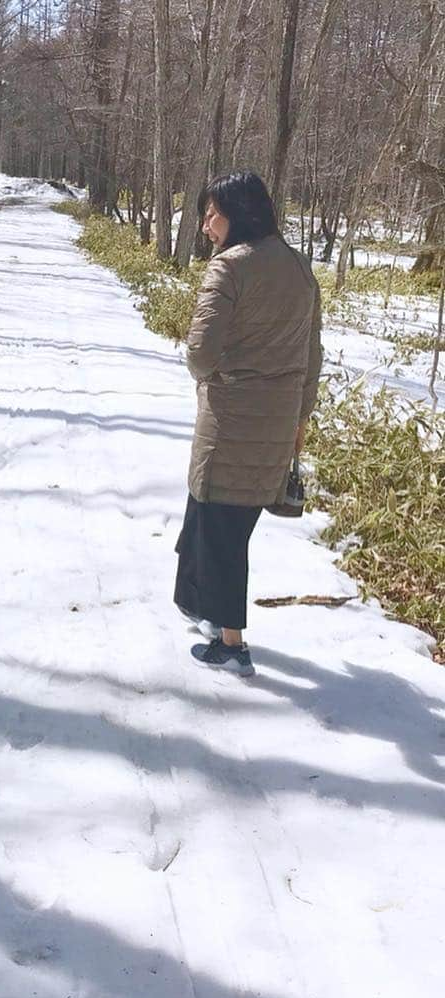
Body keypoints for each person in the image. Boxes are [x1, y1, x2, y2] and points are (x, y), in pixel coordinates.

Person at [174, 172, 324, 676]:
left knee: (221, 528)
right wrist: (301, 415)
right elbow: (312, 354)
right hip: (278, 418)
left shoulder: (229, 269)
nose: (205, 224)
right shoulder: (300, 267)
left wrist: (217, 374)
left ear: (238, 212)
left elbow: (200, 354)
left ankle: (232, 645)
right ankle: (200, 606)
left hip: (232, 418)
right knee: (212, 515)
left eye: (212, 213)